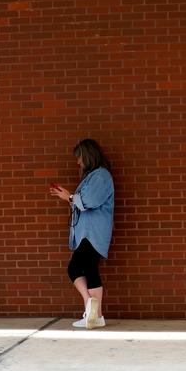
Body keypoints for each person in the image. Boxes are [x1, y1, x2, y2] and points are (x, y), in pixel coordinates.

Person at [50, 139, 114, 329]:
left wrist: (69, 196)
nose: (78, 163)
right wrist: (67, 197)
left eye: (79, 158)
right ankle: (95, 314)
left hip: (92, 231)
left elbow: (89, 201)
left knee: (78, 267)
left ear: (88, 156)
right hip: (87, 231)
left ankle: (92, 308)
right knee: (86, 268)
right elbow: (82, 202)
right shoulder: (94, 176)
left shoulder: (101, 176)